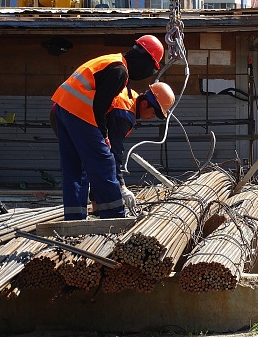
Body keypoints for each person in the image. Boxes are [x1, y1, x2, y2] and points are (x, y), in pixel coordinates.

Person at [51, 35, 170, 220]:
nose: (150, 118)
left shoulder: (113, 62)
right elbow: (99, 106)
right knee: (105, 162)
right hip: (79, 111)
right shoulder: (120, 72)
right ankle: (114, 216)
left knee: (75, 169)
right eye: (154, 114)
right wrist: (103, 135)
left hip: (61, 108)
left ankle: (74, 220)